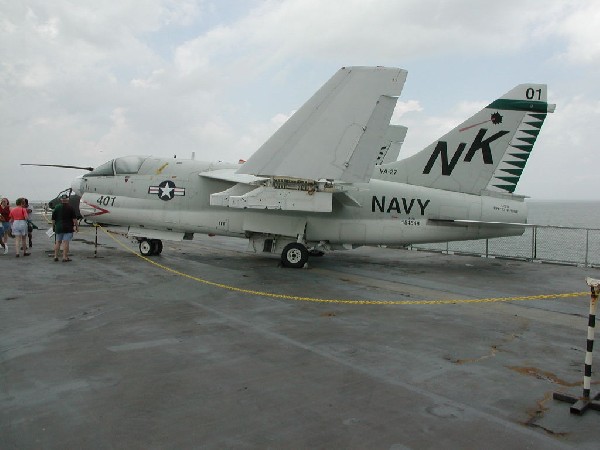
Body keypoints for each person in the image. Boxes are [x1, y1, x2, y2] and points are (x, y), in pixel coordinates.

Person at [52, 194, 78, 262]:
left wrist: (53, 226)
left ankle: (55, 256)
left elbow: (53, 219)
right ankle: (64, 257)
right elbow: (74, 219)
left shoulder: (57, 207)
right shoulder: (71, 208)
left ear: (61, 200)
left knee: (58, 242)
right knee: (66, 242)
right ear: (67, 199)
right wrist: (77, 227)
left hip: (59, 227)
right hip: (68, 227)